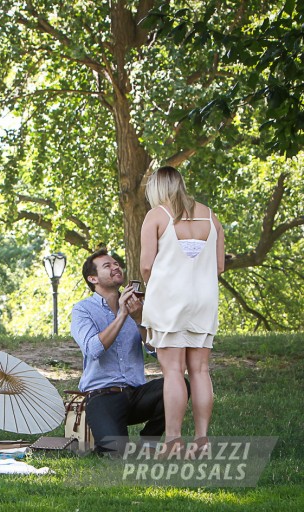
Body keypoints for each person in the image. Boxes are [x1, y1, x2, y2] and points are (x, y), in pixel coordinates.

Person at [140, 166, 225, 456]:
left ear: (157, 189)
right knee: (200, 370)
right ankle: (202, 441)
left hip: (170, 300)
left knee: (173, 370)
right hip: (204, 300)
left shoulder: (156, 215)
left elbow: (147, 265)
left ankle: (173, 441)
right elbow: (219, 266)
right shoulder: (210, 216)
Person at [70, 249, 171, 454]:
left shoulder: (138, 306)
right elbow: (93, 349)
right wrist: (122, 315)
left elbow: (156, 351)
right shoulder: (83, 310)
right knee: (115, 455)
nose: (116, 267)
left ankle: (148, 444)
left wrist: (138, 319)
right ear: (93, 278)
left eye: (116, 264)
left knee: (176, 386)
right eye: (107, 266)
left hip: (136, 394)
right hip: (102, 396)